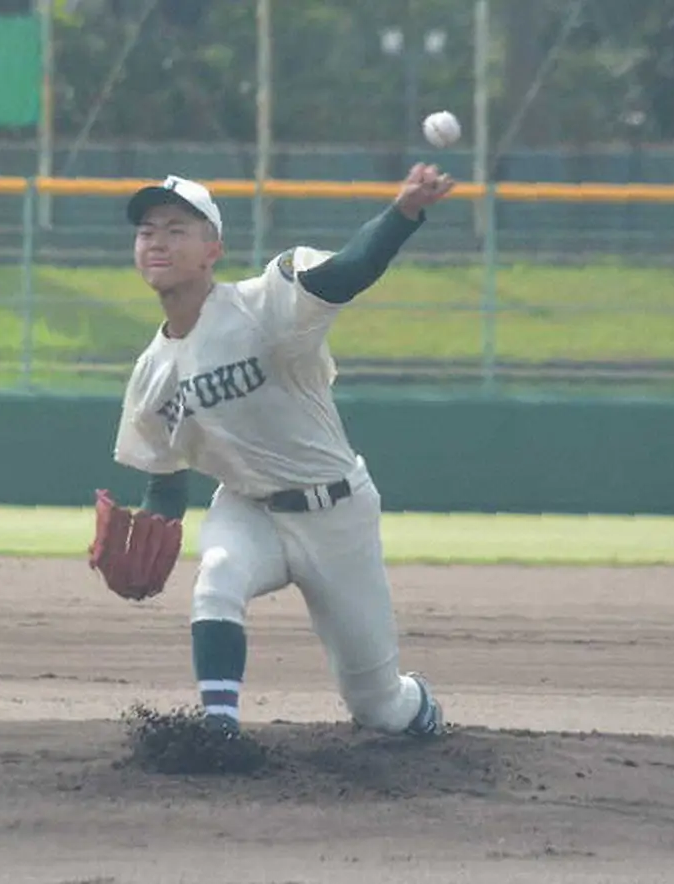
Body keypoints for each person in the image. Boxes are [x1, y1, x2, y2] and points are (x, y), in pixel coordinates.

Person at [112, 164, 454, 737]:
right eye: (147, 230)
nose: (158, 241)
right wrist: (155, 526)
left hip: (337, 513)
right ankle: (218, 735)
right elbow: (166, 477)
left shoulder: (264, 304)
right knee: (216, 579)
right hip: (248, 509)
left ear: (212, 249)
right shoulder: (151, 373)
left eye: (177, 229)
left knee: (379, 707)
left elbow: (349, 271)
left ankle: (421, 711)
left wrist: (403, 214)